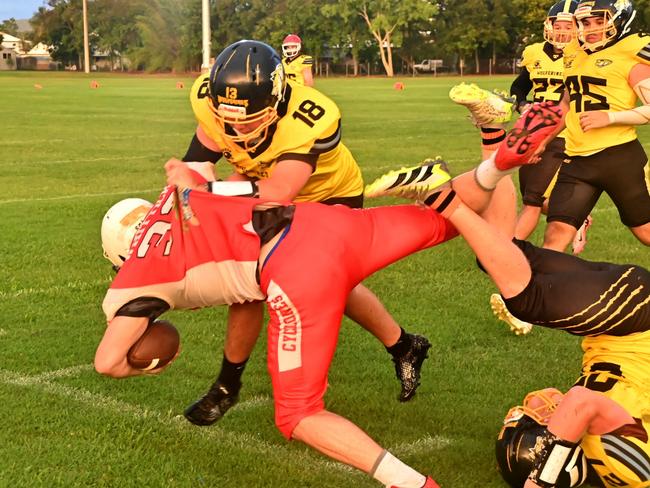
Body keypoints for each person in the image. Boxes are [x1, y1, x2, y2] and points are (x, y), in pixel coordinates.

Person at [95, 100, 561, 488]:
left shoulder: (131, 279)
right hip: (323, 223)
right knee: (447, 214)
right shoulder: (181, 194)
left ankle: (414, 484)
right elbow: (233, 191)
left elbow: (108, 361)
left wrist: (157, 358)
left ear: (117, 253)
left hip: (295, 270)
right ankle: (496, 159)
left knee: (297, 414)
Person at [364, 102, 650, 488]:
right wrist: (539, 481)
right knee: (523, 299)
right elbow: (582, 406)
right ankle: (440, 197)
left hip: (623, 311)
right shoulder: (627, 469)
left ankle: (494, 139)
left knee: (502, 255)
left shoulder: (597, 445)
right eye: (535, 419)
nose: (534, 405)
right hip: (634, 316)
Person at [181, 39, 431, 426]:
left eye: (248, 118)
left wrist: (208, 190)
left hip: (330, 194)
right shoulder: (213, 103)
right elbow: (194, 170)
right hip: (261, 185)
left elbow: (281, 190)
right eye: (229, 118)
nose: (236, 128)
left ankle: (401, 346)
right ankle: (227, 386)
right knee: (246, 281)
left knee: (321, 285)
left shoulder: (311, 116)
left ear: (277, 100)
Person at [542, 0, 650, 252]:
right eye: (586, 22)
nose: (591, 28)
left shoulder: (629, 54)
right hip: (577, 159)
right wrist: (542, 141)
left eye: (600, 21)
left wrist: (610, 117)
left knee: (645, 231)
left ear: (620, 21)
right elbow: (566, 104)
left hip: (619, 158)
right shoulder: (574, 54)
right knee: (555, 235)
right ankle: (538, 292)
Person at [510, 0, 594, 254]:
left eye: (569, 26)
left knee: (532, 200)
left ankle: (507, 249)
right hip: (533, 128)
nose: (562, 31)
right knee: (532, 193)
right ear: (549, 25)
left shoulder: (584, 55)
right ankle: (577, 217)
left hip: (563, 133)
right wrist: (522, 105)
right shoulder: (534, 52)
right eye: (559, 25)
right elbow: (519, 87)